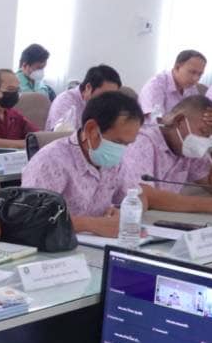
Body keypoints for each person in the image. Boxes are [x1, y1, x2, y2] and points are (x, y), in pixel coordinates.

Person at [20, 90, 148, 237]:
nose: (121, 150)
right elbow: (29, 218)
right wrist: (92, 224)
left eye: (127, 144)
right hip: (56, 245)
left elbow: (139, 197)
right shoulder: (51, 160)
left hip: (98, 243)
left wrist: (123, 213)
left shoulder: (115, 162)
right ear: (91, 129)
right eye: (118, 142)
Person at [119, 95, 212, 217]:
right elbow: (141, 194)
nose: (205, 141)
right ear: (179, 121)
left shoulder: (186, 146)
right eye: (203, 132)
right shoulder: (142, 141)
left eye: (210, 137)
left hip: (162, 219)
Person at [46, 65, 123, 132]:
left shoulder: (106, 105)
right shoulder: (65, 101)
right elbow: (62, 137)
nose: (108, 100)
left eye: (112, 96)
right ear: (88, 87)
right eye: (105, 95)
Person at [138, 50, 208, 119]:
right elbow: (156, 121)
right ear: (177, 67)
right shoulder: (155, 86)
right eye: (192, 72)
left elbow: (195, 115)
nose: (195, 79)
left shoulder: (191, 88)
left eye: (200, 74)